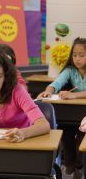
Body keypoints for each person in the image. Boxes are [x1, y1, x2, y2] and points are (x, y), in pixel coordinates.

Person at [37, 37, 86, 178]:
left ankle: (79, 166)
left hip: (85, 116)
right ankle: (70, 165)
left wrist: (74, 96)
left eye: (82, 55)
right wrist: (49, 90)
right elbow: (56, 83)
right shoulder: (70, 70)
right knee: (66, 134)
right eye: (74, 55)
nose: (77, 59)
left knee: (80, 140)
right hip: (71, 114)